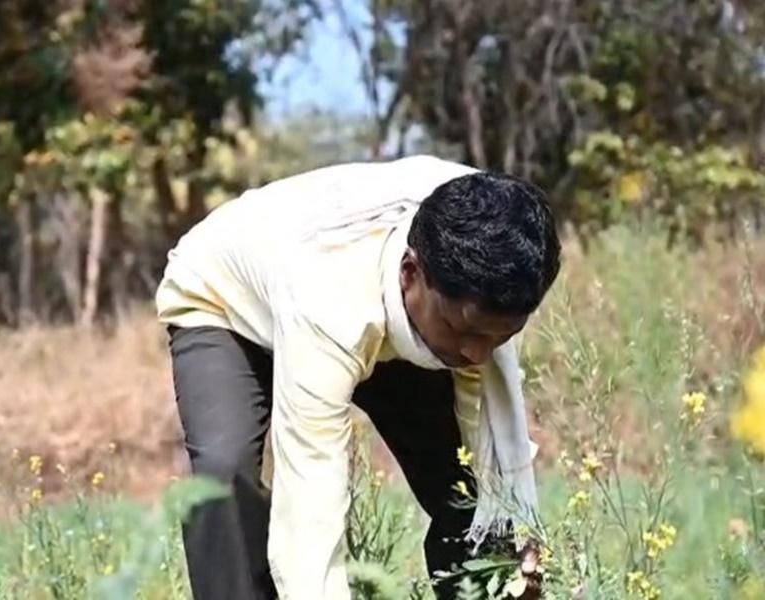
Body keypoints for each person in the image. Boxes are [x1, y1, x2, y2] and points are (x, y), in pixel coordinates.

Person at [155, 154, 561, 600]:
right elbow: (311, 497)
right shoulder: (331, 302)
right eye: (462, 330)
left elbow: (483, 454)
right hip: (225, 300)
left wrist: (510, 561)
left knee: (466, 487)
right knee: (223, 472)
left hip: (377, 311)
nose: (477, 354)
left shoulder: (500, 238)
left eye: (499, 337)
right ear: (410, 272)